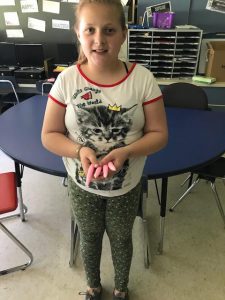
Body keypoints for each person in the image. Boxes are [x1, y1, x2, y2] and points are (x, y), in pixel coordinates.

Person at [41, 0, 168, 299]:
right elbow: (49, 135)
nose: (99, 40)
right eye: (90, 30)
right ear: (78, 33)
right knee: (89, 236)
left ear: (124, 33)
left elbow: (160, 134)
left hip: (125, 186)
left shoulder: (142, 79)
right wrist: (79, 151)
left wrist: (126, 151)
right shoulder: (67, 79)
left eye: (109, 30)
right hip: (81, 184)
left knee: (122, 237)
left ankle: (121, 289)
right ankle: (93, 286)